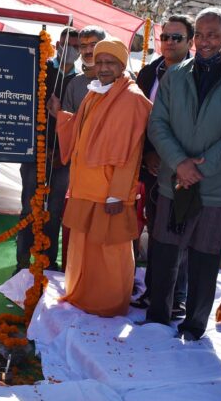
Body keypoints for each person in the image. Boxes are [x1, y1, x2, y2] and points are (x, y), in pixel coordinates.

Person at [145, 8, 221, 340]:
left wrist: (202, 167)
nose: (205, 41)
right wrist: (180, 163)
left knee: (205, 257)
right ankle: (157, 317)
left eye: (213, 34)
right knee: (165, 251)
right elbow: (158, 124)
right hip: (174, 180)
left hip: (215, 186)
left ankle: (194, 324)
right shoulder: (176, 75)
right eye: (200, 34)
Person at [48, 37, 152, 316]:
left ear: (122, 65)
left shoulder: (132, 98)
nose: (104, 68)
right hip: (86, 185)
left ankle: (108, 302)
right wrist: (60, 116)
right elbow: (81, 130)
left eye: (111, 63)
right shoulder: (96, 91)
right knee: (84, 246)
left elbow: (132, 153)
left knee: (109, 250)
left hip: (109, 190)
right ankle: (83, 294)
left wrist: (118, 192)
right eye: (100, 61)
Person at [132, 14, 194, 315]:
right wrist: (146, 154)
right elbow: (138, 122)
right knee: (157, 230)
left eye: (177, 37)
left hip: (184, 167)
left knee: (179, 231)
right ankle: (156, 292)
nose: (169, 42)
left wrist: (173, 158)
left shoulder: (199, 75)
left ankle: (178, 296)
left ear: (190, 41)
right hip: (152, 168)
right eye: (165, 37)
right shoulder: (147, 74)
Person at [16, 27, 80, 273]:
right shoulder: (40, 71)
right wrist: (39, 148)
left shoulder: (82, 80)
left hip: (63, 157)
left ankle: (49, 263)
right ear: (57, 44)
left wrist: (61, 150)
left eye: (76, 46)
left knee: (54, 211)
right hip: (35, 153)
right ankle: (22, 262)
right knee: (29, 207)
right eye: (67, 44)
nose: (71, 50)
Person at [62, 26, 105, 113]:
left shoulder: (120, 78)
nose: (88, 50)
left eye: (93, 45)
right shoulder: (75, 84)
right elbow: (66, 122)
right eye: (83, 46)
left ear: (104, 46)